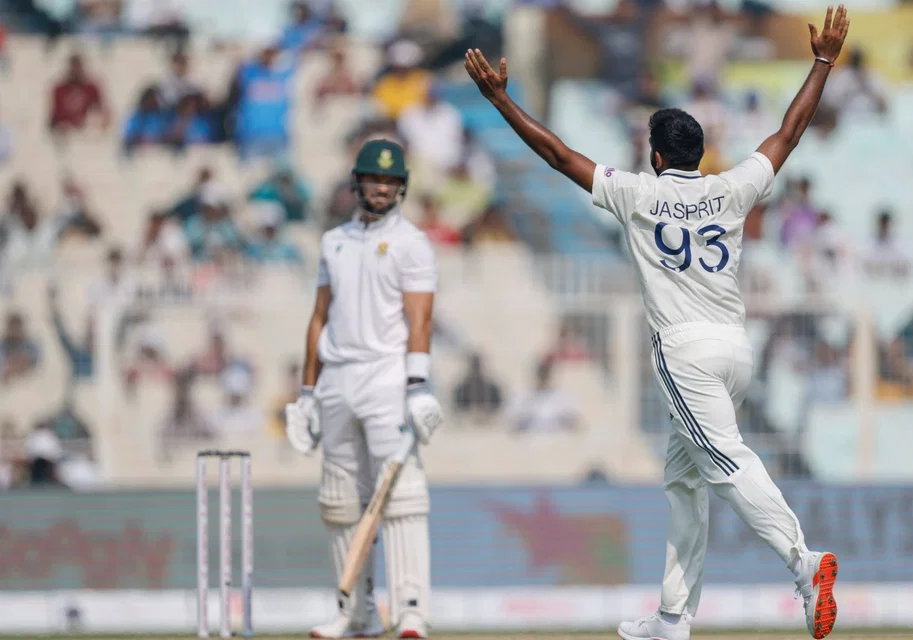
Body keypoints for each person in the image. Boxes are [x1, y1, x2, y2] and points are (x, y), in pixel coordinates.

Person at [464, 6, 850, 639]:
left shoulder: (639, 193)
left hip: (686, 350)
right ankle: (673, 619)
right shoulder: (729, 189)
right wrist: (823, 62)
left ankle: (803, 563)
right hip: (734, 350)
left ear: (656, 152)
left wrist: (502, 102)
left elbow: (559, 154)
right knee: (683, 478)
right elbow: (788, 132)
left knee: (724, 461)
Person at [285, 139, 443, 639]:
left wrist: (417, 385)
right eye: (374, 179)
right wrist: (306, 392)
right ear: (356, 183)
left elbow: (421, 317)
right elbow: (318, 317)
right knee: (338, 500)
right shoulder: (333, 241)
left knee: (401, 496)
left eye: (392, 181)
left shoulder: (412, 243)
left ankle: (411, 610)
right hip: (336, 379)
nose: (382, 188)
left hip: (386, 377)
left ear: (402, 187)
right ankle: (355, 613)